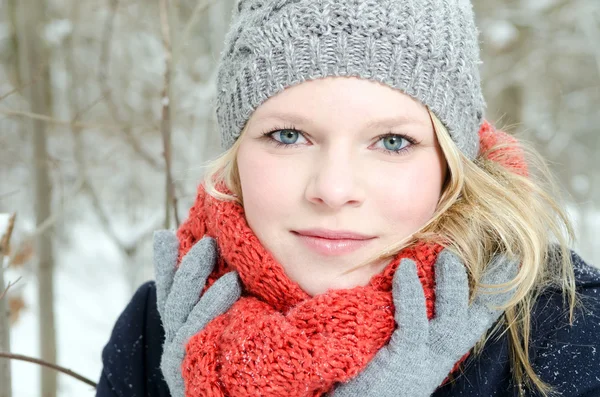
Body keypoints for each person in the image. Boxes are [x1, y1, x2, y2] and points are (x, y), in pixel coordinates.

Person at [96, 0, 600, 396]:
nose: (333, 191)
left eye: (392, 142)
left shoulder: (567, 330)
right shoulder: (161, 326)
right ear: (235, 155)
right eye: (289, 135)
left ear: (451, 165)